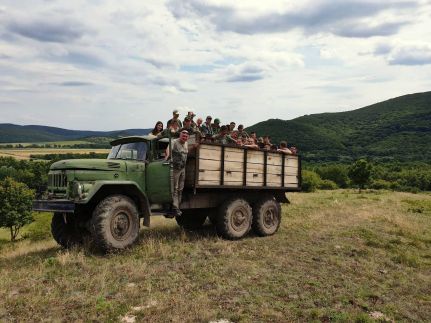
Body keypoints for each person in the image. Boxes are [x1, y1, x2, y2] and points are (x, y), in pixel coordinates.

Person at [171, 130, 189, 216]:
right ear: (180, 135)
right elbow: (168, 150)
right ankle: (175, 207)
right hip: (175, 168)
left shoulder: (186, 144)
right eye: (183, 135)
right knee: (175, 187)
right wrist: (167, 157)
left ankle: (178, 205)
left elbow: (185, 154)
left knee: (181, 188)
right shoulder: (174, 142)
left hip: (182, 168)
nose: (184, 137)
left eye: (186, 136)